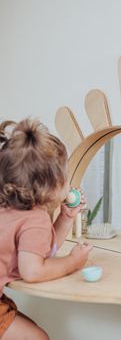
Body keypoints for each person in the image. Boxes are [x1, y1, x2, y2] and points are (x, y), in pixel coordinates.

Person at [0, 118, 92, 340]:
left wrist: (65, 218)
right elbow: (33, 271)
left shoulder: (10, 210)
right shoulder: (35, 220)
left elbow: (40, 252)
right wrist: (73, 262)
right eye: (66, 177)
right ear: (52, 185)